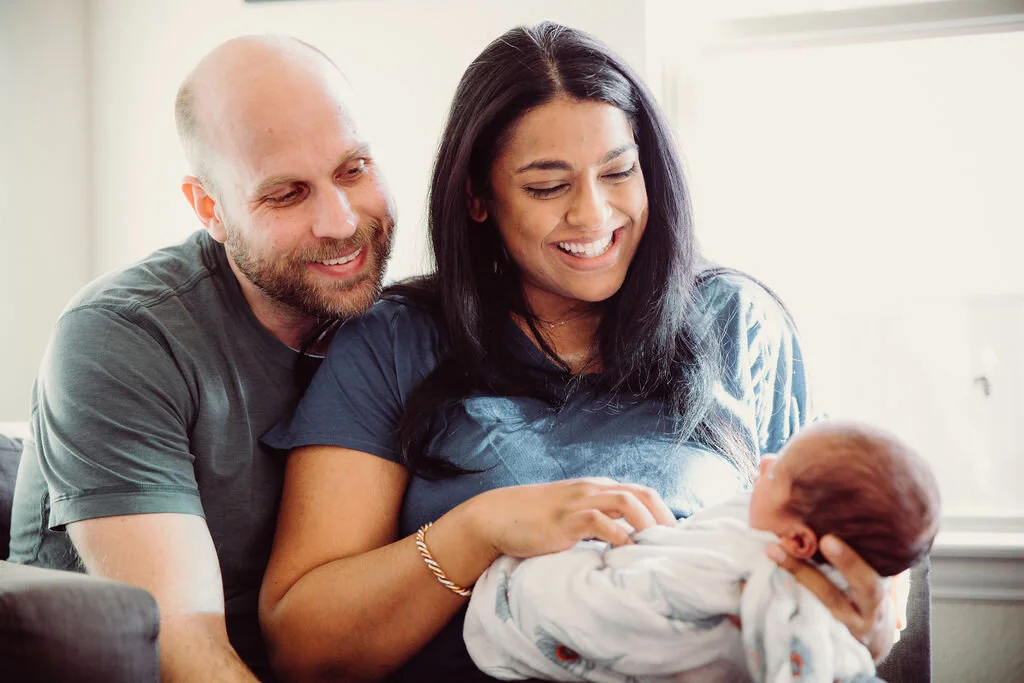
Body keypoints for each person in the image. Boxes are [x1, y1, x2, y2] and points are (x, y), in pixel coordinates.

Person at [259, 21, 897, 683]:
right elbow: (303, 646)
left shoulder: (739, 323)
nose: (593, 215)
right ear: (478, 197)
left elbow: (851, 560)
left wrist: (870, 621)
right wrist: (479, 529)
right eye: (547, 186)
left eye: (618, 172)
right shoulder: (394, 341)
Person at [8, 35, 396, 682]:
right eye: (287, 194)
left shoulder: (393, 329)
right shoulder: (121, 337)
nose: (340, 221)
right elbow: (182, 646)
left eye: (353, 169)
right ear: (209, 208)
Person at [464, 421, 941, 682]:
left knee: (566, 596)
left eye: (780, 471)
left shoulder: (786, 588)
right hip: (619, 567)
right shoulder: (761, 517)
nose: (765, 460)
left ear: (800, 542)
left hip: (600, 616)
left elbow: (807, 663)